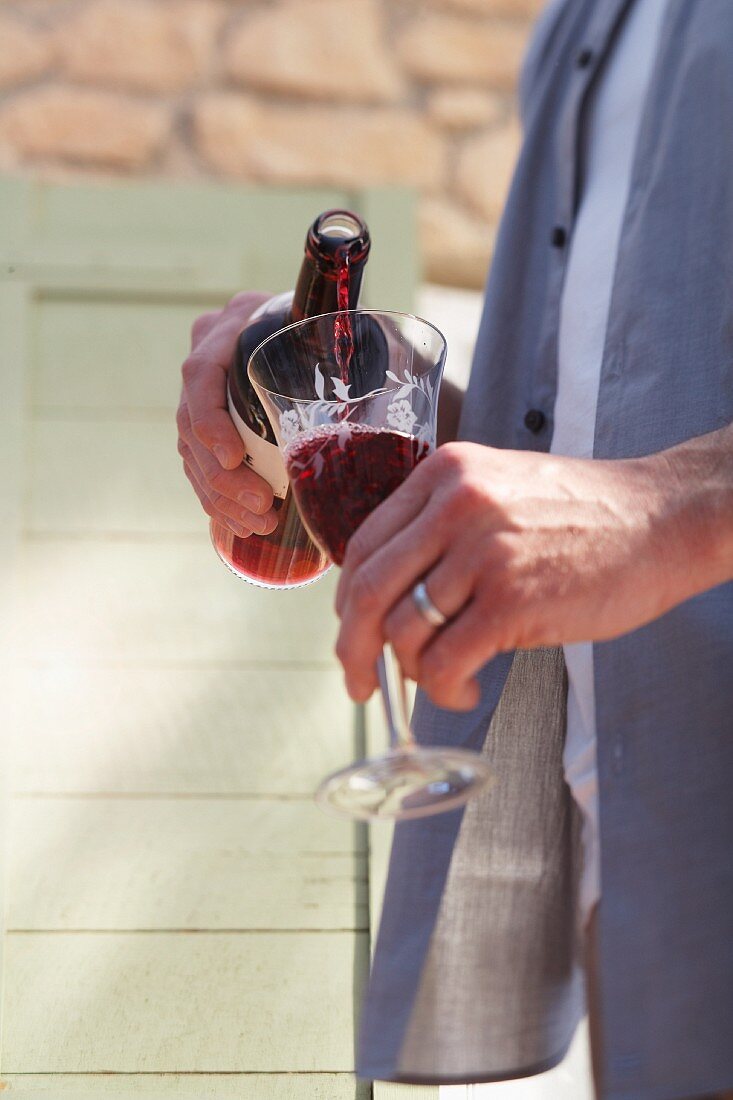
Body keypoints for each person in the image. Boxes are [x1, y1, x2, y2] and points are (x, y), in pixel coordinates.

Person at [177, 1, 733, 1096]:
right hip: (634, 865)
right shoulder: (587, 26)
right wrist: (364, 402)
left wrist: (669, 508)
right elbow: (589, 437)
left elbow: (633, 503)